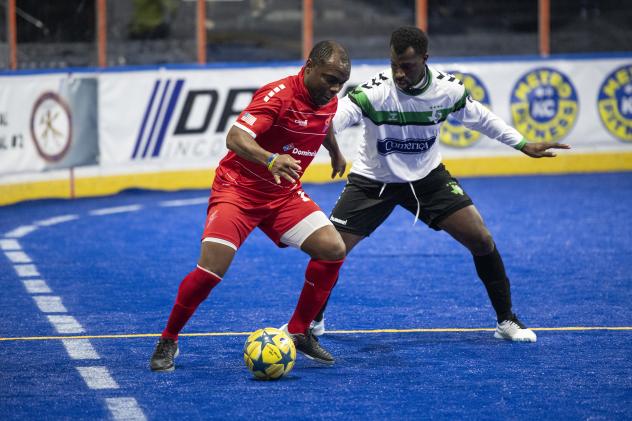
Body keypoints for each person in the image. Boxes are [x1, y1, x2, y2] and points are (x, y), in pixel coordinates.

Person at [310, 26, 570, 342]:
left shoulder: (447, 90)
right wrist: (332, 147)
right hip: (373, 181)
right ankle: (312, 321)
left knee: (481, 239)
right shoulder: (372, 92)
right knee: (330, 250)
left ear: (425, 59)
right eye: (394, 64)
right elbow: (330, 119)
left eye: (407, 66)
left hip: (427, 179)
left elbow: (483, 119)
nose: (399, 73)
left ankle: (506, 321)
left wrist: (522, 144)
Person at [149, 40, 351, 371]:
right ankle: (168, 339)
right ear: (309, 67)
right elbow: (235, 138)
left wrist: (334, 150)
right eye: (329, 79)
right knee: (211, 270)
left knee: (332, 248)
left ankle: (299, 331)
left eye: (340, 83)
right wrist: (270, 159)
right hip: (238, 191)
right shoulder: (278, 95)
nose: (334, 89)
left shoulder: (326, 98)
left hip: (283, 195)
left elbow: (323, 122)